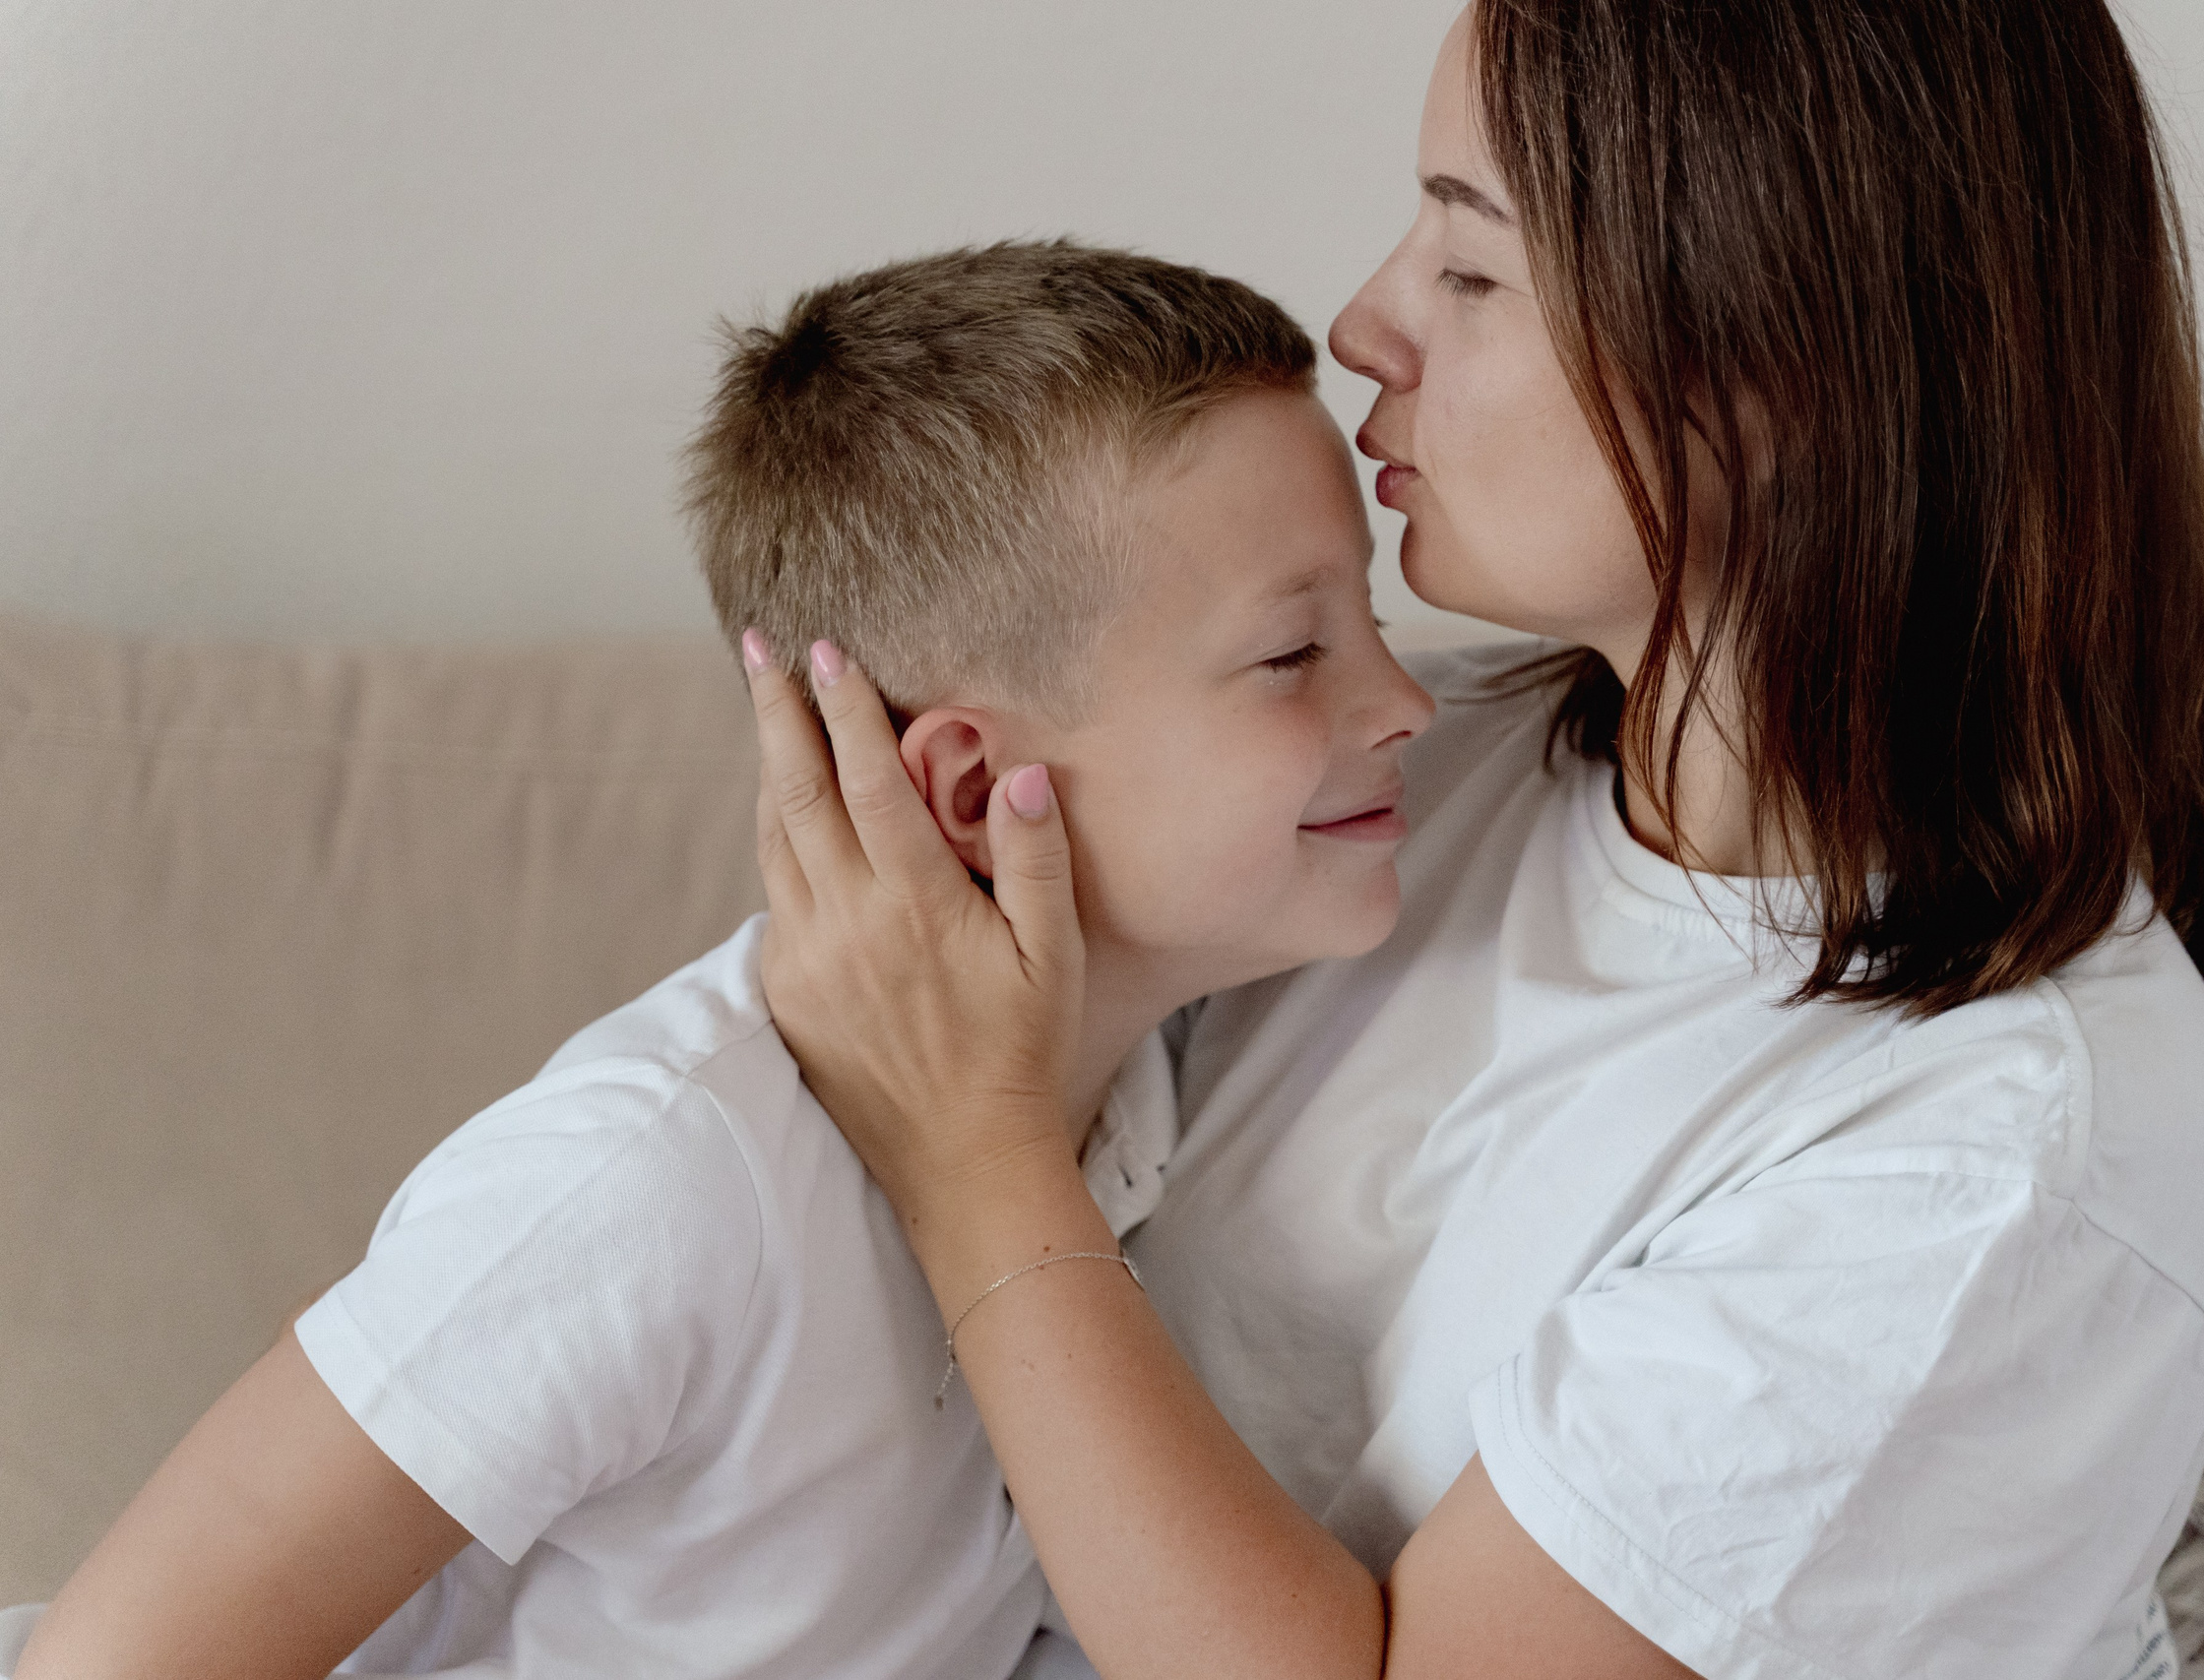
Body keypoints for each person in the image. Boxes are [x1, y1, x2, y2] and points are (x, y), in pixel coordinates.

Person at [742, 4, 2204, 1678]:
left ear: (1786, 355)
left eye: (1470, 272)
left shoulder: (1999, 1168)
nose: (1363, 325)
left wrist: (979, 1170)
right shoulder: (1418, 765)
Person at [12, 242, 1433, 1680]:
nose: (1407, 700)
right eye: (1292, 654)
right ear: (966, 791)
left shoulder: (1149, 1110)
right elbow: (114, 1660)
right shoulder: (658, 1179)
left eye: (1369, 619)